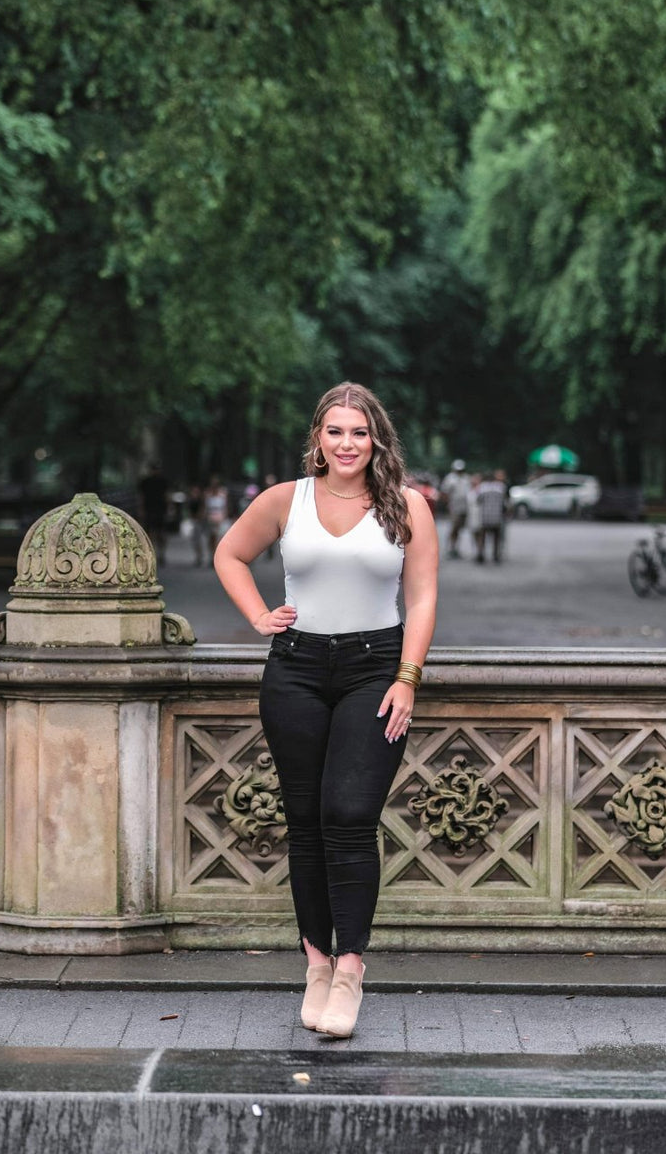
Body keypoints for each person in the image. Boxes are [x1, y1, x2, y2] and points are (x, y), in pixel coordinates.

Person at [214, 383, 438, 1039]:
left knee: (348, 814)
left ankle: (350, 969)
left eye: (359, 433)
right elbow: (229, 554)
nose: (346, 444)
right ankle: (315, 961)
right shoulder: (286, 500)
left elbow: (421, 600)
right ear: (318, 437)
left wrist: (408, 678)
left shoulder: (408, 507)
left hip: (375, 669)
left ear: (377, 441)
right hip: (296, 670)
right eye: (335, 431)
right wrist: (258, 614)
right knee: (306, 821)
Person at [136, 463, 169, 565]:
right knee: (150, 533)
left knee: (161, 533)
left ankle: (161, 554)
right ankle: (151, 553)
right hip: (149, 509)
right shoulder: (145, 482)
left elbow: (167, 495)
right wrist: (141, 510)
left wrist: (169, 509)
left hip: (160, 509)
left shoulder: (163, 481)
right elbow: (141, 497)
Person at [439, 459, 470, 558]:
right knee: (454, 527)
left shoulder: (466, 478)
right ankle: (451, 548)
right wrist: (447, 505)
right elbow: (444, 492)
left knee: (459, 528)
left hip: (464, 506)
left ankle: (456, 548)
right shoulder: (450, 478)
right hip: (454, 506)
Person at [475, 470, 507, 563]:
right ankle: (495, 555)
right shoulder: (501, 487)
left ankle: (480, 553)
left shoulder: (482, 487)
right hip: (497, 516)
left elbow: (478, 500)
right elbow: (504, 503)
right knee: (496, 536)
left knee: (482, 535)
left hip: (485, 516)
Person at [203, 475, 229, 562]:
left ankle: (217, 557)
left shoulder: (223, 493)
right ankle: (212, 555)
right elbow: (205, 506)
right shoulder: (207, 493)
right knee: (211, 538)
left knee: (218, 538)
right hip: (210, 516)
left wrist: (225, 516)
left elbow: (225, 506)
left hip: (220, 516)